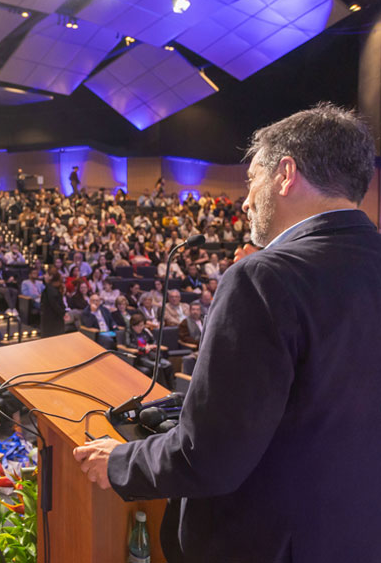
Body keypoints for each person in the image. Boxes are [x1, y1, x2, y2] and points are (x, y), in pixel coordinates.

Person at [73, 104, 381, 562]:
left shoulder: (264, 278)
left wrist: (118, 462)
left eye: (252, 179)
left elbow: (209, 457)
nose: (246, 200)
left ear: (285, 175)